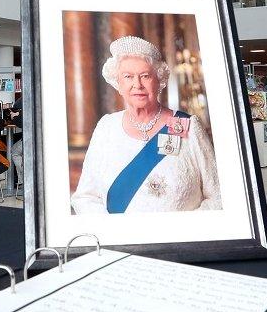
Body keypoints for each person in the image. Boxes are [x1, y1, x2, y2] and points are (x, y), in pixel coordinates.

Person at [71, 36, 221, 214]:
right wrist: (114, 234)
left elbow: (218, 197)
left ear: (159, 81)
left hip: (180, 240)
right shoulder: (106, 128)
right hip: (123, 240)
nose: (137, 85)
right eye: (128, 77)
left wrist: (180, 233)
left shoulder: (187, 125)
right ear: (118, 84)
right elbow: (85, 197)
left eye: (145, 76)